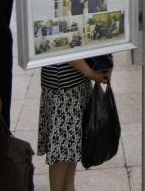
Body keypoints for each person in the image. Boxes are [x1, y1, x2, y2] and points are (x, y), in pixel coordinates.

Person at [38, 60, 109, 191]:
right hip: (62, 87)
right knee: (62, 154)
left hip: (77, 82)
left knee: (72, 151)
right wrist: (90, 72)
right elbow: (62, 44)